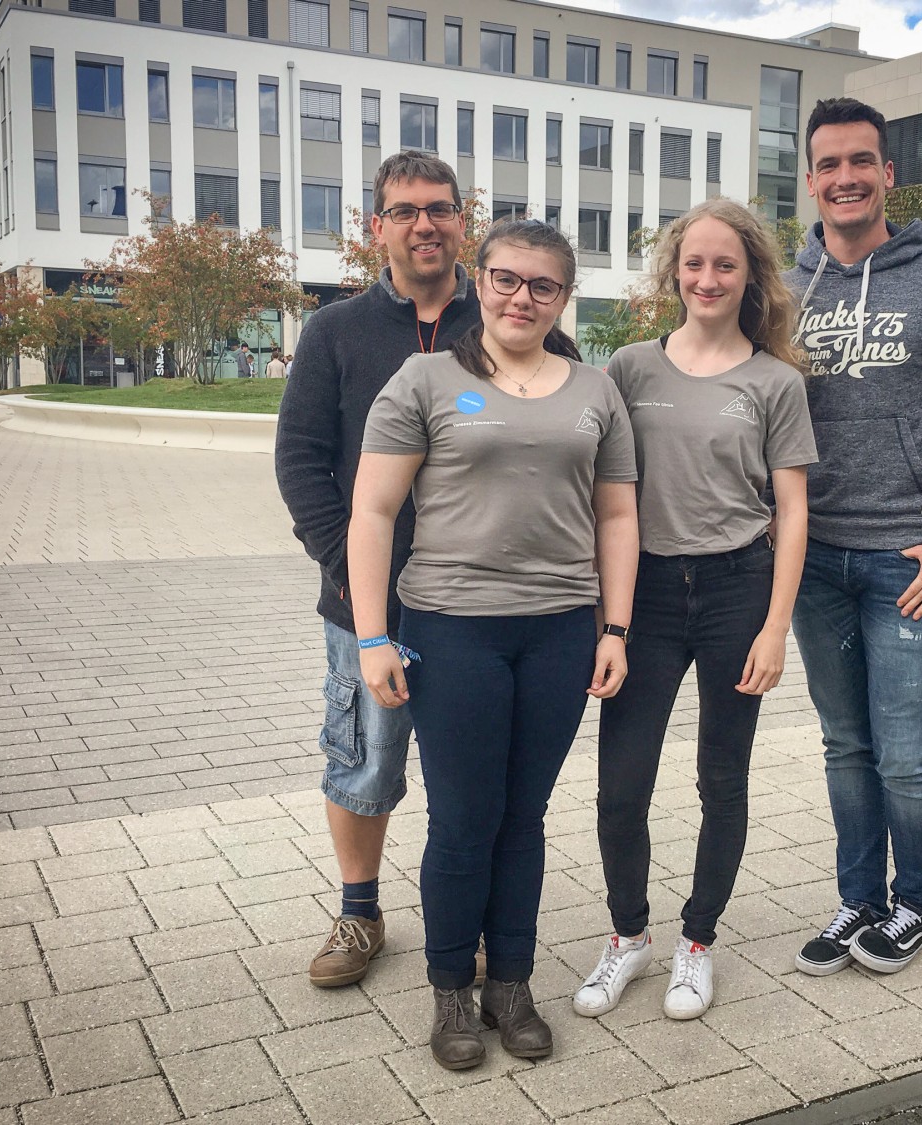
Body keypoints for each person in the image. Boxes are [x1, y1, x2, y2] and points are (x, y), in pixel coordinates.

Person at [349, 218, 639, 1070]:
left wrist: (615, 627)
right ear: (480, 282)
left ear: (564, 297)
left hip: (558, 630)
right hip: (452, 628)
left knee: (524, 817)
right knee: (462, 820)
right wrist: (373, 636)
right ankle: (451, 991)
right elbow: (373, 512)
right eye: (507, 279)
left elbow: (619, 517)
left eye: (542, 285)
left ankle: (511, 983)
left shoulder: (595, 391)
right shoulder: (426, 379)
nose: (522, 297)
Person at [572, 199, 816, 1022]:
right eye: (694, 263)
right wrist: (603, 616)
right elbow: (602, 492)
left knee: (722, 777)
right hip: (643, 594)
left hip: (737, 590)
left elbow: (793, 511)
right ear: (674, 272)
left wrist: (775, 628)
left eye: (725, 265)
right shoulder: (630, 369)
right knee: (620, 785)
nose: (707, 278)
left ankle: (698, 942)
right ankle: (629, 935)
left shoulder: (776, 381)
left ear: (751, 277)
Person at [785, 98, 922, 977]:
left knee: (904, 750)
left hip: (908, 560)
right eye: (829, 164)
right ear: (811, 179)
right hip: (813, 562)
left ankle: (915, 901)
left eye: (860, 162)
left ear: (887, 173)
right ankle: (858, 900)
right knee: (845, 744)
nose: (845, 178)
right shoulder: (786, 292)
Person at [275, 152, 481, 991]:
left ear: (463, 219)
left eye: (439, 208)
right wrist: (352, 569)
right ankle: (360, 914)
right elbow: (300, 461)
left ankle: (466, 919)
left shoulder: (505, 315)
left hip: (477, 604)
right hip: (365, 611)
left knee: (472, 774)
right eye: (405, 211)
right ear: (377, 227)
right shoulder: (336, 331)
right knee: (362, 763)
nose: (424, 224)